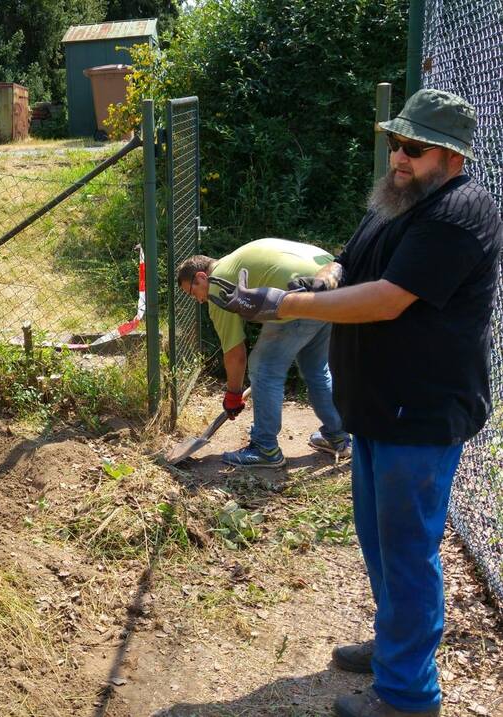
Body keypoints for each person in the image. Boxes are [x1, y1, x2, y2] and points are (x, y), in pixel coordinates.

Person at [209, 89, 502, 717]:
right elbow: (351, 264)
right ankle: (394, 646)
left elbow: (388, 299)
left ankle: (407, 696)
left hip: (418, 415)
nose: (398, 156)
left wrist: (282, 304)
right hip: (379, 409)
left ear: (451, 157)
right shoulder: (397, 200)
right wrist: (322, 280)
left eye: (413, 148)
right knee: (379, 541)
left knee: (406, 550)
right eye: (396, 142)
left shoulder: (460, 212)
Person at [177, 238, 351, 468]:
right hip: (331, 283)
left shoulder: (219, 286)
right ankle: (338, 437)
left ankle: (264, 448)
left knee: (264, 367)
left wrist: (233, 394)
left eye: (192, 293)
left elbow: (235, 354)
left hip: (302, 293)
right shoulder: (235, 260)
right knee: (315, 368)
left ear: (201, 277)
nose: (198, 300)